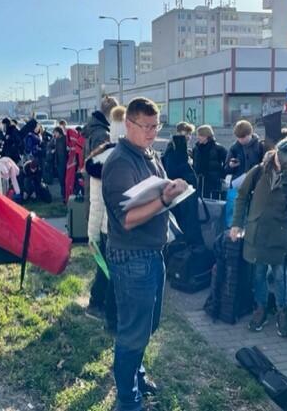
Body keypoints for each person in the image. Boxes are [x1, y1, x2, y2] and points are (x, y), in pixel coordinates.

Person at [102, 97, 189, 411]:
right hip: (131, 257)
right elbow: (127, 219)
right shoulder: (120, 162)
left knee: (147, 325)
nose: (153, 132)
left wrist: (171, 190)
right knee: (133, 332)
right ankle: (127, 400)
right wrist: (164, 201)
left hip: (151, 253)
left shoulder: (147, 154)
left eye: (157, 126)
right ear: (129, 124)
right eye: (147, 126)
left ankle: (136, 375)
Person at [230, 137, 287, 336]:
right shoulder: (259, 171)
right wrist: (236, 223)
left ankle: (282, 311)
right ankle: (261, 308)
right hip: (257, 233)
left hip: (280, 235)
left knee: (280, 276)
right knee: (258, 274)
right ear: (276, 153)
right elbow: (242, 196)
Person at [85, 105, 125, 328]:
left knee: (106, 269)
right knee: (111, 272)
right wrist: (92, 236)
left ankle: (96, 303)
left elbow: (96, 202)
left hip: (109, 226)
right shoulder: (111, 159)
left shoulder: (103, 156)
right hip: (111, 227)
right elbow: (98, 202)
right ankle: (108, 314)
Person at [192, 124, 228, 199]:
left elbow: (227, 162)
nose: (197, 137)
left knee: (213, 201)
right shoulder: (196, 149)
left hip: (214, 182)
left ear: (206, 136)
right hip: (200, 182)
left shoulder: (219, 149)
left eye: (200, 135)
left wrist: (221, 175)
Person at [51, 126, 68, 201]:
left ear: (59, 132)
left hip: (63, 162)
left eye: (55, 133)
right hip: (59, 162)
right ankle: (63, 195)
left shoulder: (64, 139)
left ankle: (64, 195)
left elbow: (64, 152)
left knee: (63, 179)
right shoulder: (57, 140)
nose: (54, 134)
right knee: (61, 180)